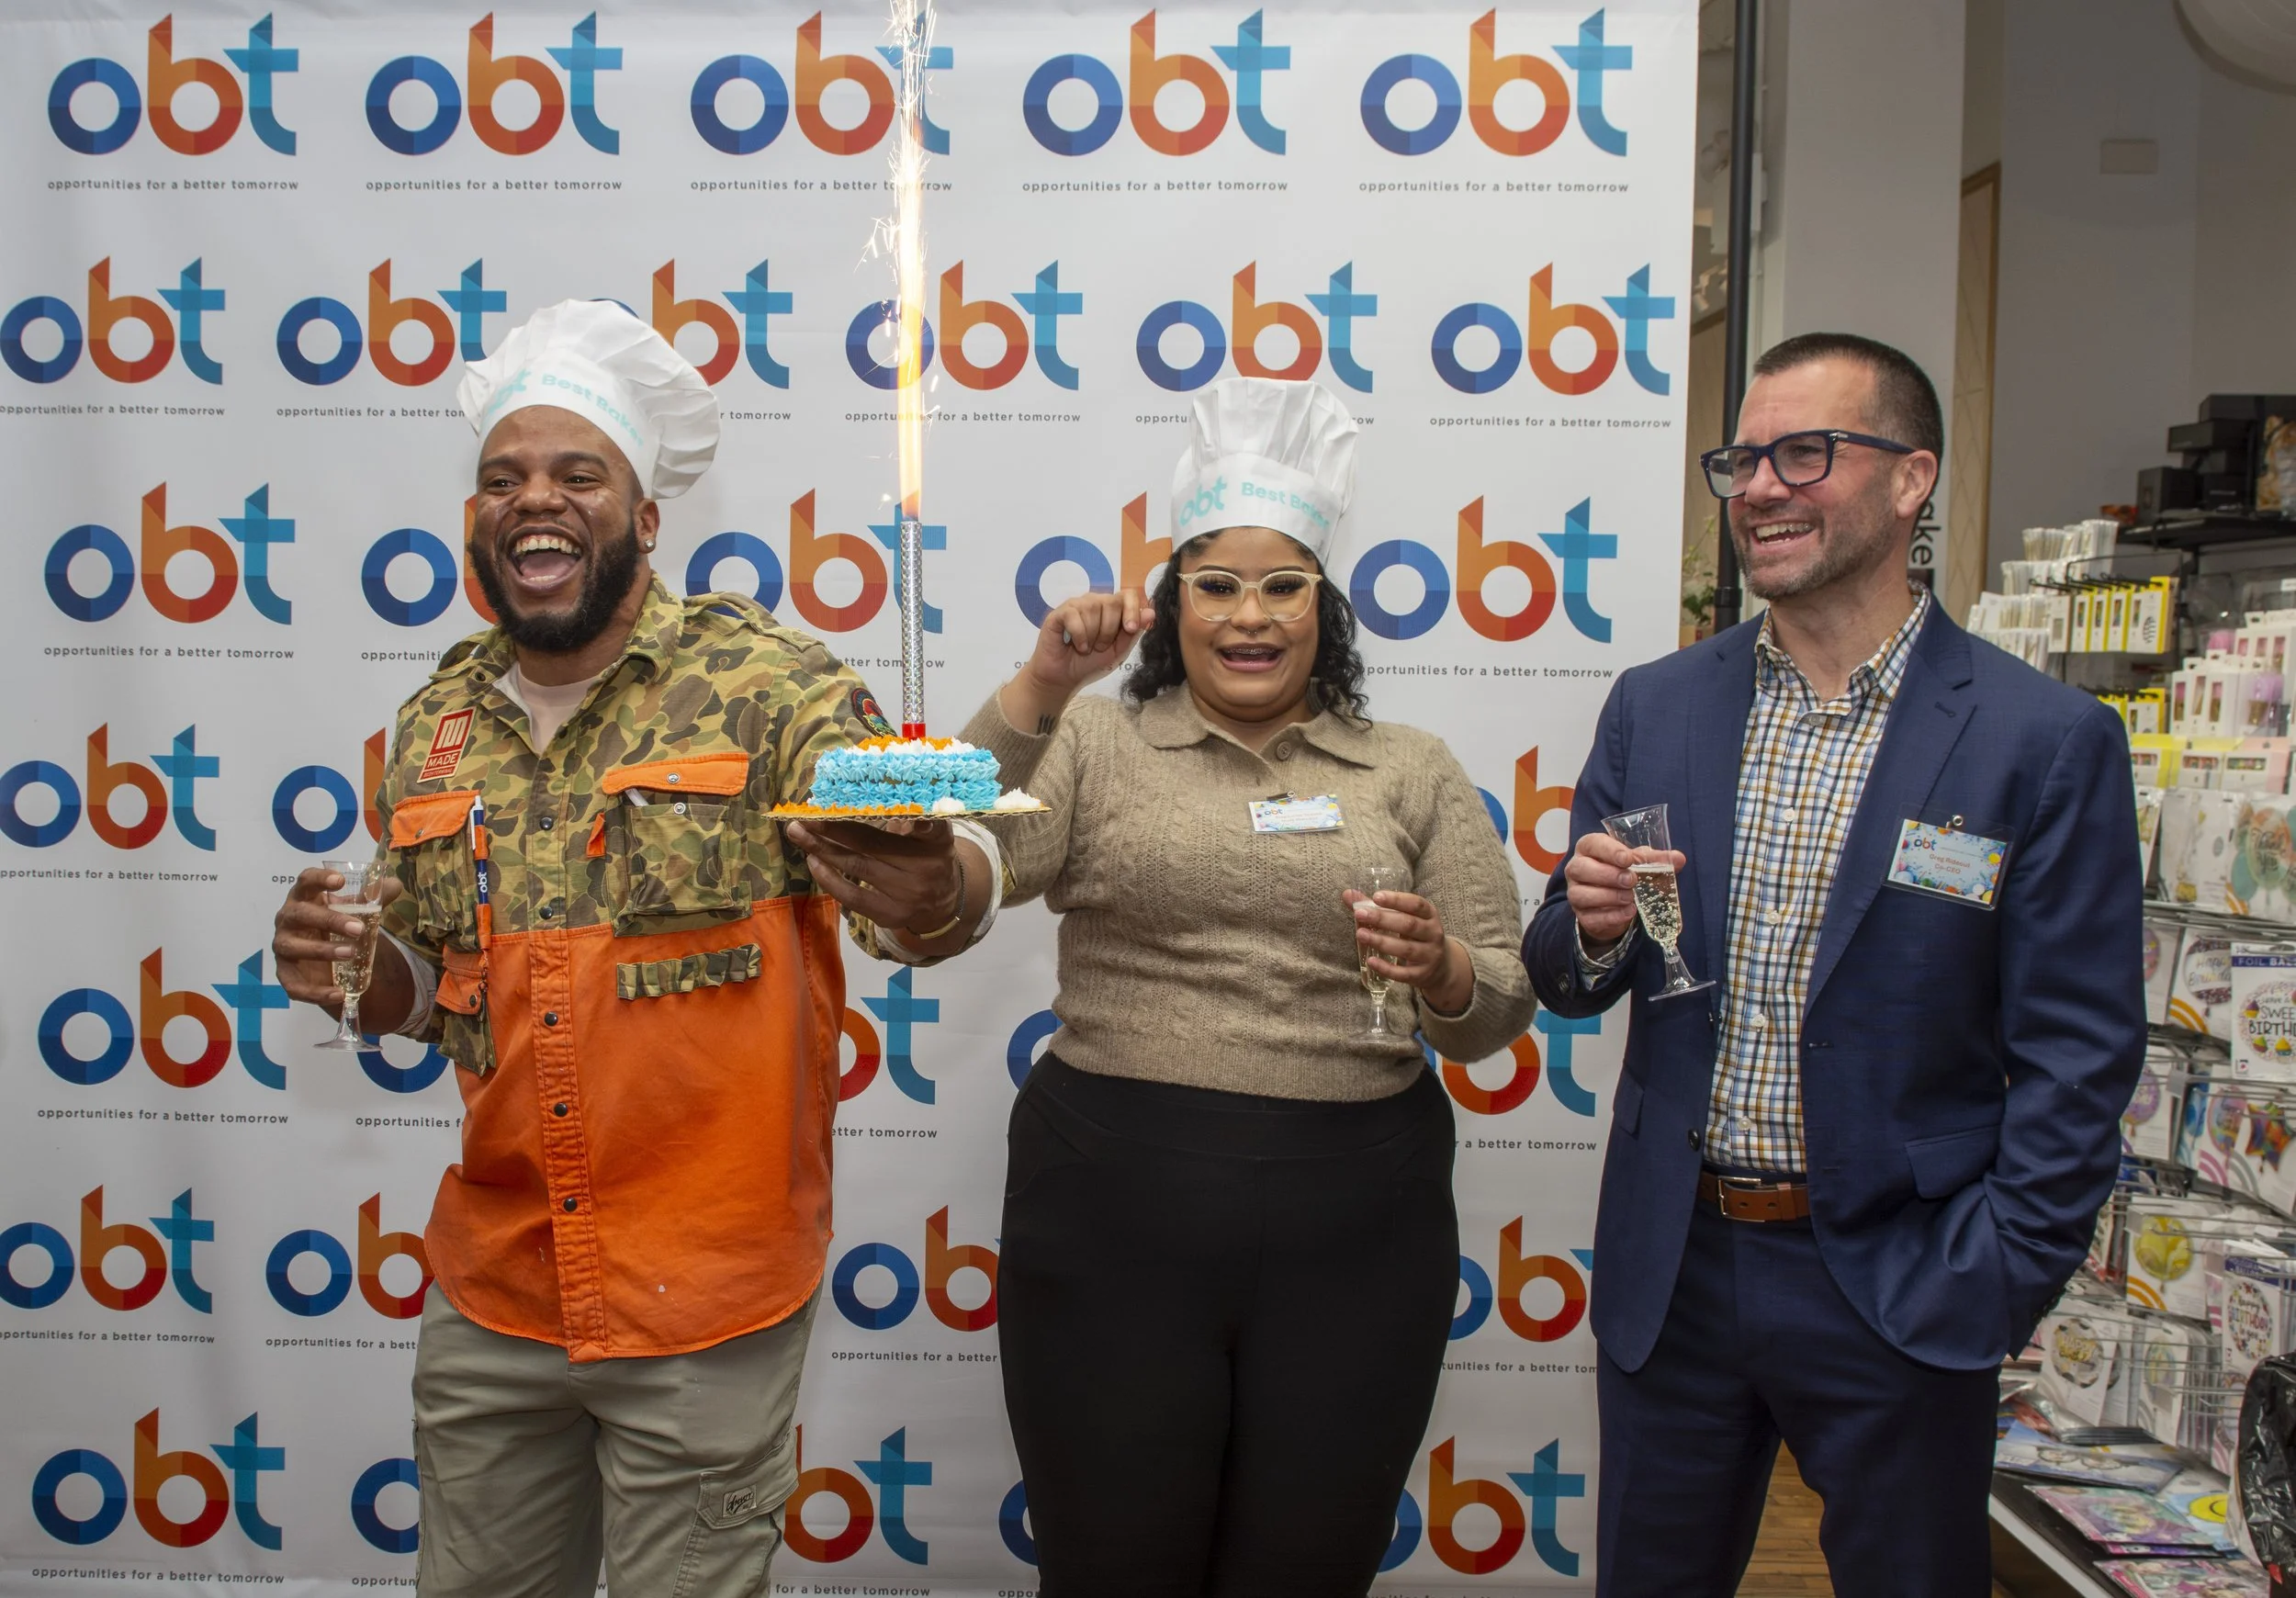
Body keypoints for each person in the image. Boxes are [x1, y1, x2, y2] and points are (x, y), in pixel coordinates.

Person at [267, 299, 1002, 1597]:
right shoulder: (430, 730)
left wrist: (937, 874)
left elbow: (919, 901)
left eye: (576, 474)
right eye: (505, 476)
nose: (534, 499)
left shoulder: (775, 688)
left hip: (704, 1302)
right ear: (477, 516)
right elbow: (434, 1002)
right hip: (496, 1292)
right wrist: (343, 969)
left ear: (645, 519)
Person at [1520, 332, 2144, 1596]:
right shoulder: (1658, 704)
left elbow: (2078, 1054)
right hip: (1676, 1271)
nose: (1758, 487)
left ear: (1910, 481)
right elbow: (1566, 965)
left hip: (1904, 1280)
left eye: (1803, 453)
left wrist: (1996, 1275)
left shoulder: (2043, 739)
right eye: (1742, 459)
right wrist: (1590, 929)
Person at [963, 375, 1536, 1597]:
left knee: (1304, 1569)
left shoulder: (1410, 768)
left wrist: (1440, 968)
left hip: (1358, 1231)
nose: (1250, 616)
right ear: (1174, 608)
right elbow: (962, 864)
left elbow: (1497, 1007)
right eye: (1217, 585)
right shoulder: (1095, 742)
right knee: (1113, 1567)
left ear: (1326, 609)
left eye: (1284, 586)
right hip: (1111, 1208)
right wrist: (1037, 691)